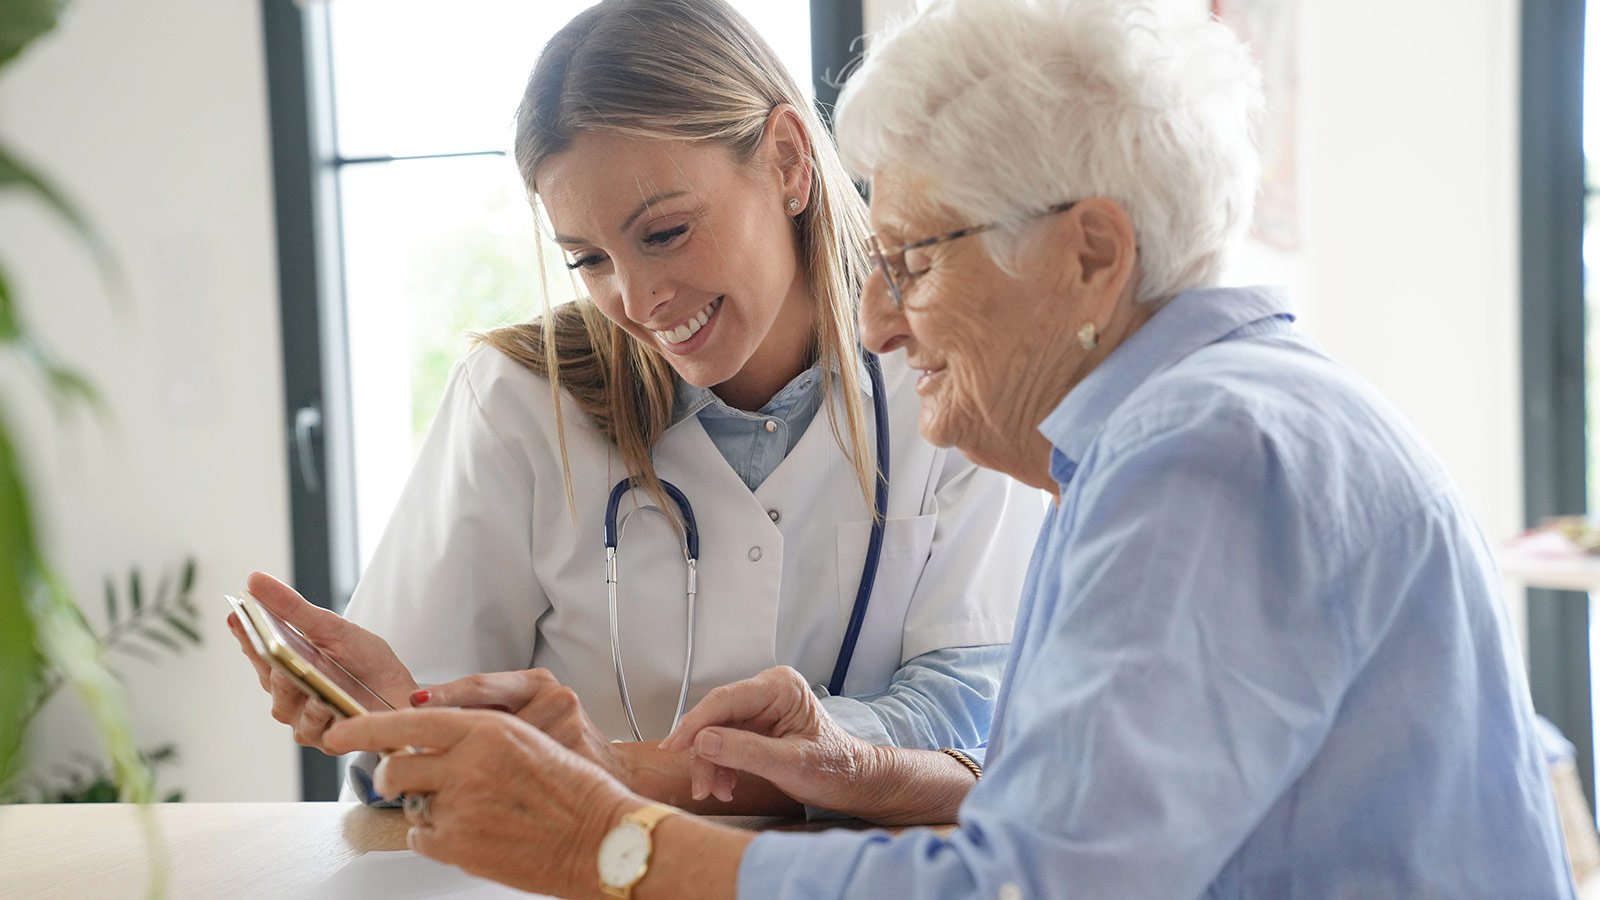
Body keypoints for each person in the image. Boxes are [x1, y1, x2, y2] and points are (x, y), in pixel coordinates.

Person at [317, 0, 1578, 896]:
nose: (872, 314)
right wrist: (867, 771)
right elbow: (1094, 819)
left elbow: (1029, 885)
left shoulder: (1207, 458)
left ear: (1091, 251)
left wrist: (611, 842)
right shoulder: (1191, 426)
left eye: (914, 259)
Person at [229, 0, 1041, 812]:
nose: (638, 298)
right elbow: (419, 754)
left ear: (789, 162)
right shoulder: (516, 403)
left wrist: (629, 771)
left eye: (665, 233)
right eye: (588, 258)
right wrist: (383, 723)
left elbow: (976, 720)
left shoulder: (941, 372)